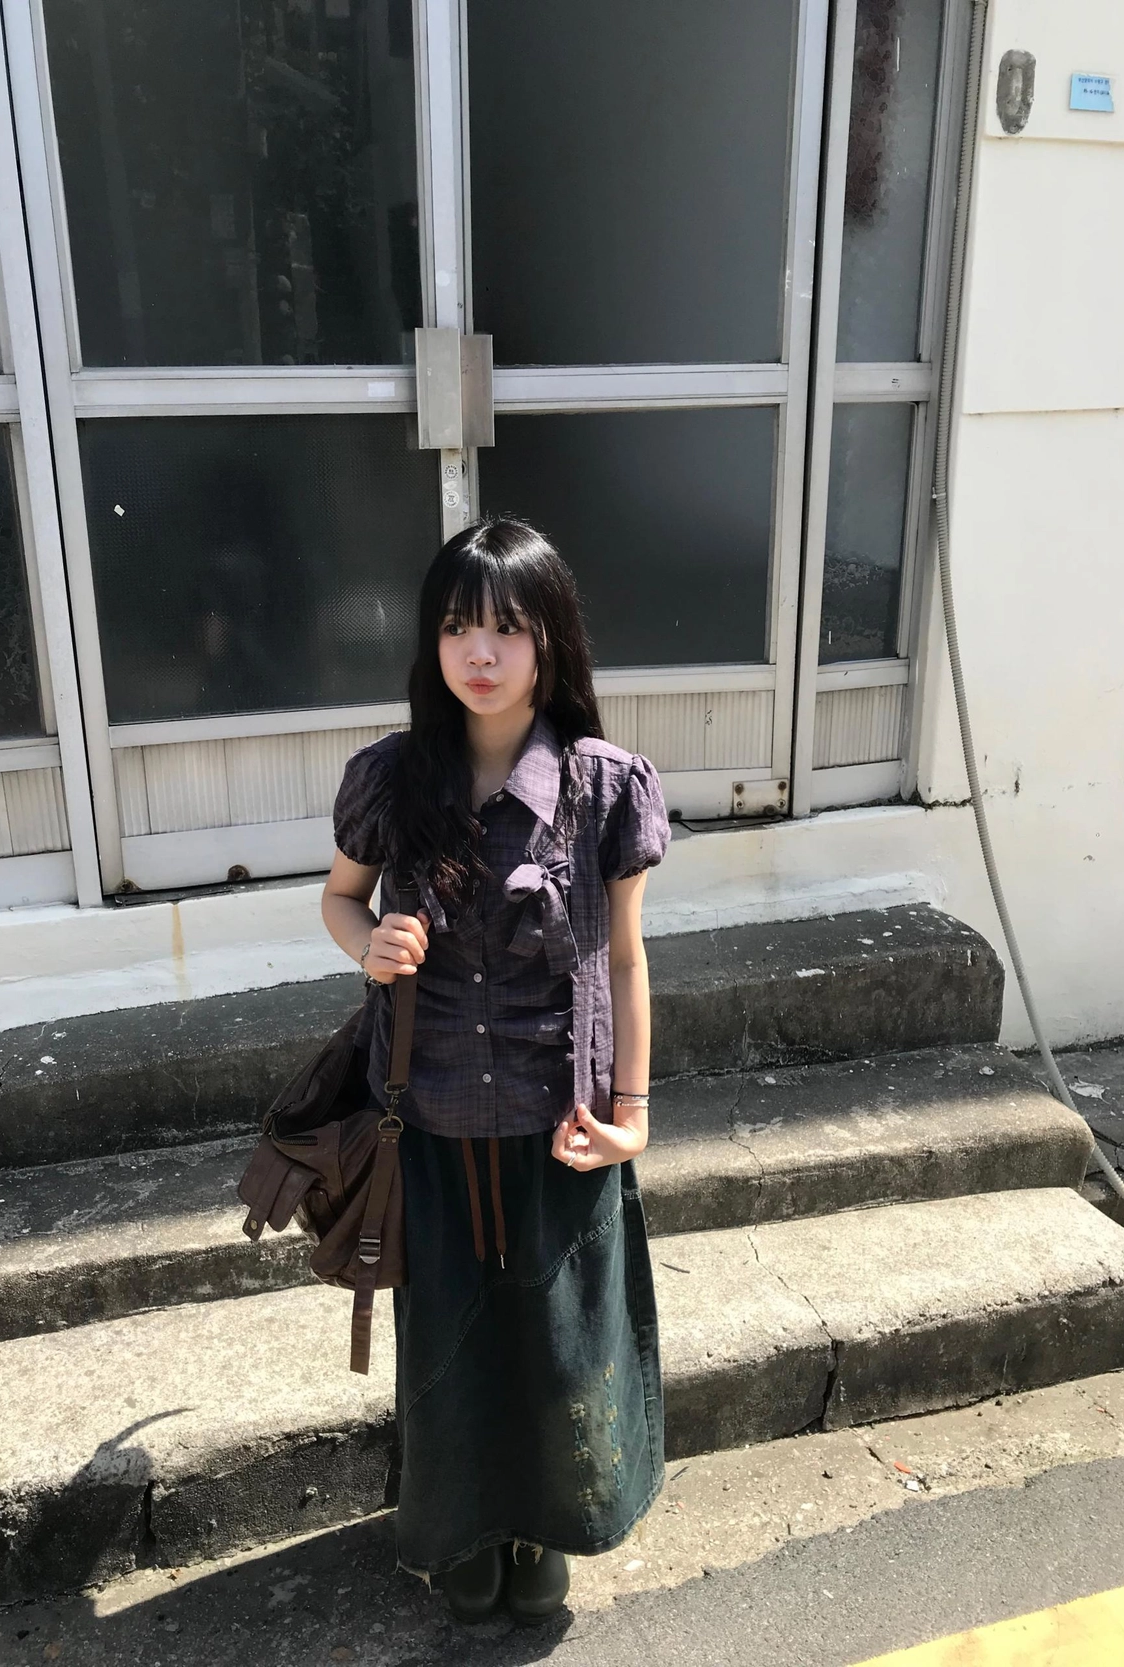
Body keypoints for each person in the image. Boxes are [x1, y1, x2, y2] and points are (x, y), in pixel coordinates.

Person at [321, 516, 670, 1625]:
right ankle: (461, 1528)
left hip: (560, 1122)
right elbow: (340, 898)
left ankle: (539, 1526)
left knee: (556, 1334)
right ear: (430, 642)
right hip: (426, 1118)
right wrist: (368, 944)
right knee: (449, 1334)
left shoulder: (605, 786)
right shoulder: (389, 778)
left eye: (506, 629)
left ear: (549, 640)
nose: (479, 653)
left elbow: (625, 956)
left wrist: (632, 1112)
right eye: (456, 627)